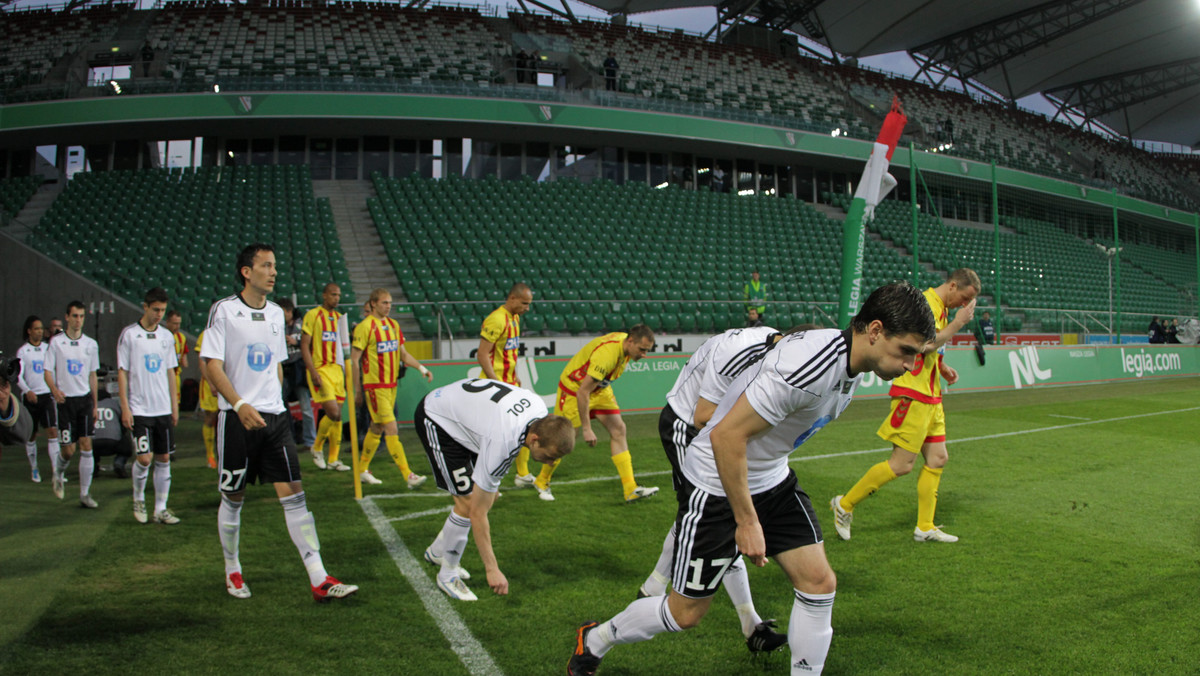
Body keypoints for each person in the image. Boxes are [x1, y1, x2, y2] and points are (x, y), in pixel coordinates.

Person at [567, 282, 936, 676]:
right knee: (686, 612)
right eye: (907, 353)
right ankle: (596, 639)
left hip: (772, 478)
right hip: (715, 484)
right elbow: (726, 436)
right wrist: (746, 521)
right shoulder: (806, 368)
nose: (911, 365)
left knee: (818, 581)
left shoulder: (852, 361)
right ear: (875, 331)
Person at [200, 243, 357, 602]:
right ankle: (232, 569)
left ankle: (319, 578)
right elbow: (211, 364)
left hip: (275, 420)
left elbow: (273, 365)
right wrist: (239, 403)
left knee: (296, 496)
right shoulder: (223, 311)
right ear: (246, 271)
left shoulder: (275, 314)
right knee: (233, 497)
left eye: (274, 266)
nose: (273, 272)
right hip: (235, 419)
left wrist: (278, 406)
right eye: (266, 266)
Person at [639, 324, 791, 654]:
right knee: (711, 517)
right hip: (688, 428)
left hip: (717, 431)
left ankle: (750, 624)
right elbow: (703, 415)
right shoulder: (739, 352)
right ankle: (653, 589)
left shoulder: (778, 347)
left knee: (721, 519)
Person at [831, 268, 981, 544]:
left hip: (932, 395)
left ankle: (924, 526)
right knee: (901, 465)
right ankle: (845, 504)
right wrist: (959, 323)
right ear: (952, 285)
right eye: (964, 297)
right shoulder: (924, 303)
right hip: (913, 394)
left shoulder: (942, 308)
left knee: (938, 458)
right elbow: (923, 345)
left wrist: (942, 366)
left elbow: (930, 350)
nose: (964, 305)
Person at [418, 378, 575, 601]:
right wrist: (492, 569)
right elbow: (477, 513)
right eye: (549, 457)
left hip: (470, 417)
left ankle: (437, 553)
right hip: (437, 418)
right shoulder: (503, 441)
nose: (550, 463)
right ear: (535, 439)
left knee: (485, 497)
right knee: (468, 504)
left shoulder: (539, 410)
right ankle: (448, 574)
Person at [532, 324, 658, 503]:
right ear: (630, 341)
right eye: (642, 350)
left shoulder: (625, 343)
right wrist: (587, 428)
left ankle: (630, 489)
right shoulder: (606, 356)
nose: (644, 355)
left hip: (600, 390)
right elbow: (583, 392)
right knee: (563, 439)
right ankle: (542, 480)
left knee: (619, 429)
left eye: (647, 351)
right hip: (574, 391)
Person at [352, 288, 433, 486]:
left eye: (389, 303)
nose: (388, 306)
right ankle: (408, 475)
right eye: (384, 303)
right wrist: (357, 390)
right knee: (391, 427)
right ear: (373, 304)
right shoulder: (365, 327)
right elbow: (354, 360)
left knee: (377, 427)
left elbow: (403, 354)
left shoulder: (393, 325)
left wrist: (421, 368)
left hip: (391, 385)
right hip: (374, 386)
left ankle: (362, 469)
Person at [117, 288, 180, 525]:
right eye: (155, 310)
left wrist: (174, 405)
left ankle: (160, 509)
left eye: (162, 310)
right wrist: (125, 406)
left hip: (162, 408)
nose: (159, 315)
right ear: (145, 307)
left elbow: (170, 373)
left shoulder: (166, 336)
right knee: (144, 458)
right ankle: (138, 499)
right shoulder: (130, 335)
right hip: (140, 408)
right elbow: (123, 373)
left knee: (163, 458)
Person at [477, 283, 535, 486]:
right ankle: (483, 479)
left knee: (522, 426)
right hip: (494, 386)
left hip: (509, 383)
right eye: (524, 303)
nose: (527, 308)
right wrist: (495, 382)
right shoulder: (496, 320)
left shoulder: (515, 318)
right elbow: (482, 354)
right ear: (512, 298)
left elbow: (511, 351)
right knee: (493, 435)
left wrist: (516, 374)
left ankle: (522, 474)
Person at [44, 300, 100, 508]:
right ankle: (58, 472)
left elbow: (93, 375)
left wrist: (94, 405)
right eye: (75, 316)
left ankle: (85, 494)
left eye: (81, 316)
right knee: (68, 450)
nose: (78, 320)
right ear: (67, 317)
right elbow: (47, 371)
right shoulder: (57, 343)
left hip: (84, 399)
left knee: (86, 444)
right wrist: (55, 390)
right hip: (65, 401)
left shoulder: (90, 344)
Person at [301, 283, 346, 470]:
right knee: (333, 413)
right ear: (324, 295)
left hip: (337, 371)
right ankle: (317, 447)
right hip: (321, 369)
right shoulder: (312, 315)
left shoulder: (339, 319)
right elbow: (304, 345)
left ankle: (334, 459)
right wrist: (312, 371)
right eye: (333, 294)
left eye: (339, 295)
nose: (336, 298)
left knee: (338, 417)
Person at [17, 315, 59, 483]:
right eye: (36, 328)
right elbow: (18, 376)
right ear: (29, 331)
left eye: (42, 328)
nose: (40, 332)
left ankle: (56, 471)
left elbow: (53, 371)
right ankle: (34, 468)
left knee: (52, 431)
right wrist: (27, 391)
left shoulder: (48, 349)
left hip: (46, 395)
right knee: (31, 434)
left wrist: (55, 389)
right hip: (31, 398)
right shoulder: (22, 351)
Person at [280, 298, 318, 453]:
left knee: (306, 407)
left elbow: (311, 342)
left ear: (289, 311)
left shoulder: (302, 324)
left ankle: (311, 441)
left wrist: (296, 342)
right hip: (283, 369)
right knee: (281, 407)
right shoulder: (278, 326)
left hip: (299, 369)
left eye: (283, 313)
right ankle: (288, 439)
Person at [195, 329, 219, 469]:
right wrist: (211, 383)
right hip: (210, 384)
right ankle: (210, 455)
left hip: (229, 381)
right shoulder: (206, 335)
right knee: (210, 417)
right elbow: (202, 362)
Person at [164, 309, 188, 400]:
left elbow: (184, 361)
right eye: (175, 323)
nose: (177, 326)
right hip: (163, 377)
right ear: (167, 322)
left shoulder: (181, 337)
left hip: (175, 376)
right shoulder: (161, 336)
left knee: (175, 402)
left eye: (179, 323)